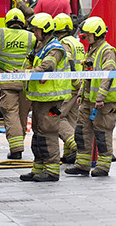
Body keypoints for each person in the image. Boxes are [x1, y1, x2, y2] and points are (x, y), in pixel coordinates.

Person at [65, 16, 116, 177]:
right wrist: (82, 94)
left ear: (96, 34)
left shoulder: (107, 51)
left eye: (88, 34)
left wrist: (101, 97)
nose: (86, 37)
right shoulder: (92, 50)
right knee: (82, 131)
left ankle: (103, 167)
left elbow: (108, 75)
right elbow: (88, 75)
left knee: (102, 133)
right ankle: (82, 164)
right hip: (89, 101)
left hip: (103, 103)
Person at [0, 8, 35, 160]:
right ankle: (18, 145)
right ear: (22, 22)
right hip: (26, 83)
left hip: (7, 83)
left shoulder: (0, 34)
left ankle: (16, 149)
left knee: (11, 115)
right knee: (22, 116)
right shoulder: (32, 37)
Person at [21, 13, 72, 182]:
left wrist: (25, 73)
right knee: (38, 134)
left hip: (51, 99)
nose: (34, 33)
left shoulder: (55, 49)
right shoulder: (41, 46)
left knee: (48, 133)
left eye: (37, 30)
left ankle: (52, 171)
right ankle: (38, 169)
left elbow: (46, 67)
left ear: (45, 30)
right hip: (39, 99)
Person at [54, 13, 86, 164]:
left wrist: (73, 81)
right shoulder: (77, 42)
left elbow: (69, 62)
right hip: (77, 86)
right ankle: (69, 155)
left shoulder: (64, 43)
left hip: (67, 86)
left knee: (57, 118)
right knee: (71, 119)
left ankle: (76, 147)